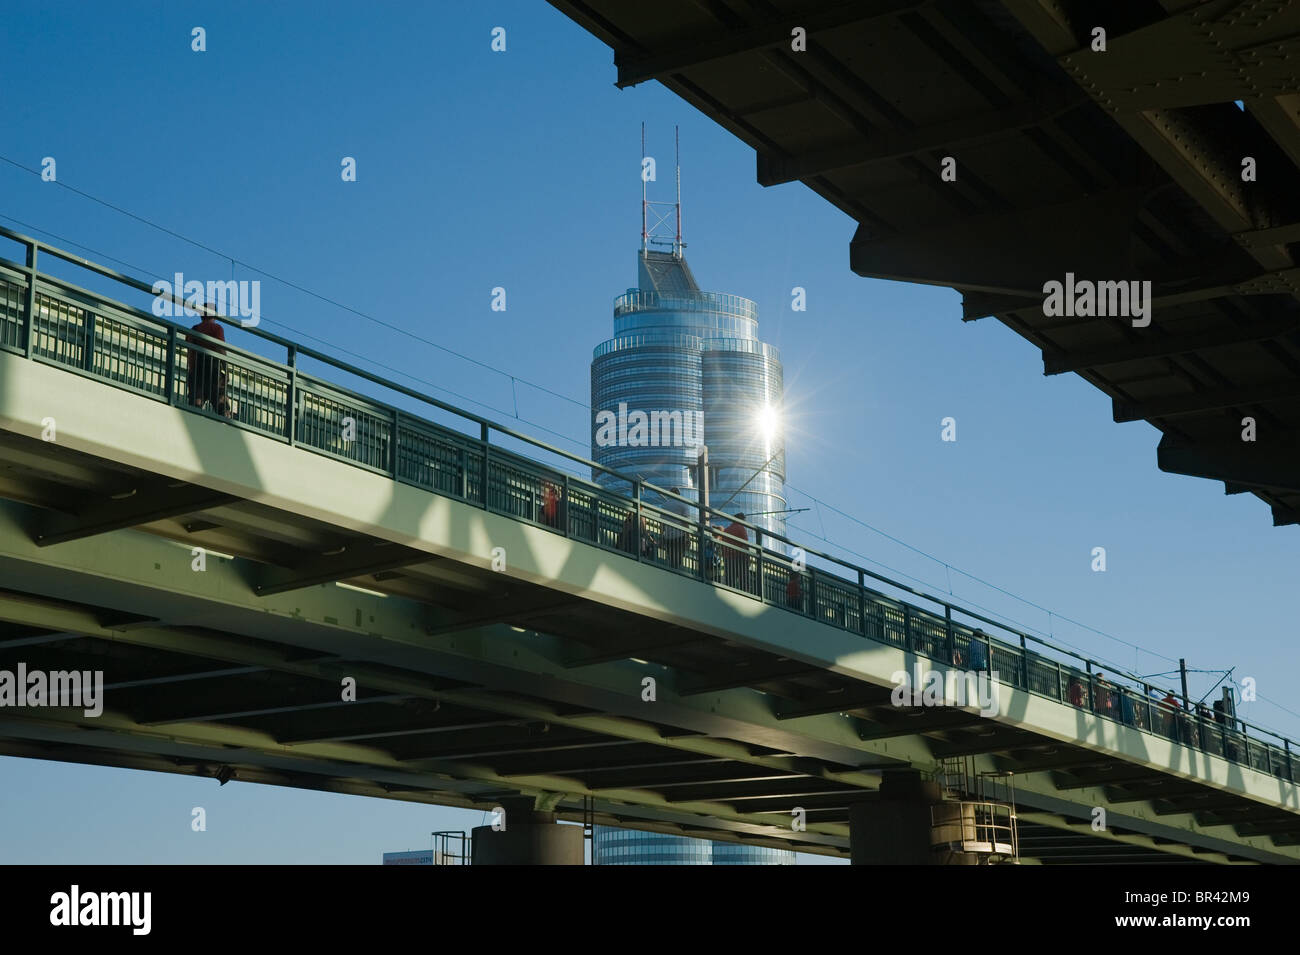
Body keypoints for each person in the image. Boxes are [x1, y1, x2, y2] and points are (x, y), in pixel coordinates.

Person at [186, 304, 230, 417]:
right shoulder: (217, 328)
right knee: (222, 404)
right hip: (213, 371)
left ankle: (194, 422)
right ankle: (227, 426)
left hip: (197, 371)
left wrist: (191, 371)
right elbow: (221, 349)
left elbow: (190, 353)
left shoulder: (194, 330)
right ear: (214, 315)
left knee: (196, 403)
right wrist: (226, 370)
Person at [719, 512, 750, 589]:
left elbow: (722, 545)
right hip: (739, 558)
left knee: (730, 580)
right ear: (741, 519)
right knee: (743, 580)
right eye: (744, 520)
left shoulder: (727, 530)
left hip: (727, 559)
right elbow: (745, 545)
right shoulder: (741, 528)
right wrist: (748, 558)